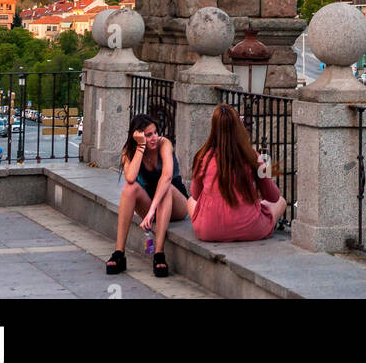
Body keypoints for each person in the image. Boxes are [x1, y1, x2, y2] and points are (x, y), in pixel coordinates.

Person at [105, 114, 189, 278]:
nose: (154, 138)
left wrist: (151, 212)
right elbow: (130, 177)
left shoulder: (164, 144)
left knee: (166, 188)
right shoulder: (130, 151)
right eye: (148, 135)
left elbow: (167, 177)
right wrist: (140, 147)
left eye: (155, 133)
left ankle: (159, 254)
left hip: (176, 204)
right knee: (130, 189)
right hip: (152, 206)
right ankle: (119, 252)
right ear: (138, 136)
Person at [188, 103, 286, 243]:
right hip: (250, 228)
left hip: (209, 232)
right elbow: (273, 196)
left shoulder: (203, 157)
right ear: (238, 127)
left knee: (189, 201)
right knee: (281, 202)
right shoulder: (253, 156)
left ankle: (212, 224)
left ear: (213, 128)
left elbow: (195, 195)